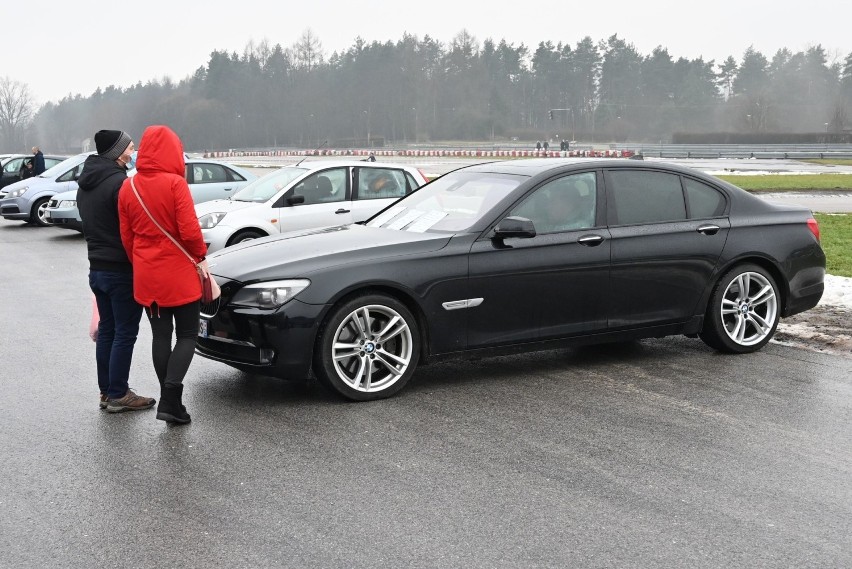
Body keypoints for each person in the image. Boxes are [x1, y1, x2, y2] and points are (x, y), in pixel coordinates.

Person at [118, 125, 207, 425]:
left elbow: (127, 237)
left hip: (147, 276)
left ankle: (171, 402)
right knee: (187, 335)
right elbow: (190, 231)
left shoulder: (127, 187)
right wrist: (200, 255)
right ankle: (170, 401)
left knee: (160, 336)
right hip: (178, 275)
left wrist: (141, 262)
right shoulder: (175, 184)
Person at [77, 129, 154, 413]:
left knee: (108, 330)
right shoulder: (120, 184)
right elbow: (133, 227)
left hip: (96, 268)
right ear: (117, 152)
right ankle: (119, 393)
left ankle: (106, 391)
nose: (133, 152)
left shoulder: (85, 184)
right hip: (121, 269)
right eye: (130, 147)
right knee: (124, 332)